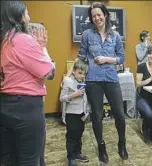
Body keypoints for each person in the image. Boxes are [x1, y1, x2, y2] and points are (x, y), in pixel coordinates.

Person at [0, 1, 55, 166]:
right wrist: (43, 47)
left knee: (8, 158)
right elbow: (49, 73)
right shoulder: (22, 40)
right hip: (26, 109)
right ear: (19, 16)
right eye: (27, 13)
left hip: (4, 105)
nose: (29, 18)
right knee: (30, 159)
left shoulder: (3, 40)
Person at [78, 2, 128, 164]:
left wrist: (107, 59)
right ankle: (101, 146)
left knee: (120, 113)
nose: (97, 18)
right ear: (91, 19)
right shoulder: (87, 34)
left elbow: (121, 58)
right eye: (93, 16)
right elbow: (82, 56)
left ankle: (122, 143)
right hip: (93, 80)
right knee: (97, 115)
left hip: (111, 78)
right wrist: (78, 75)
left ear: (105, 15)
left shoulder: (115, 36)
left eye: (99, 14)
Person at [60, 58, 89, 166]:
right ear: (73, 71)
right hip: (71, 113)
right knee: (72, 135)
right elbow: (62, 98)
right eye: (80, 73)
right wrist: (73, 95)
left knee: (79, 133)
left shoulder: (84, 81)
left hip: (82, 113)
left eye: (84, 73)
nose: (82, 75)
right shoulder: (68, 81)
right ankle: (71, 157)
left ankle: (77, 152)